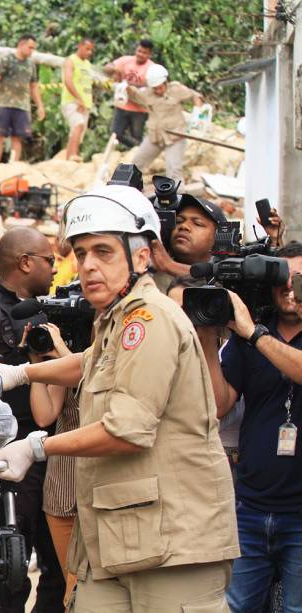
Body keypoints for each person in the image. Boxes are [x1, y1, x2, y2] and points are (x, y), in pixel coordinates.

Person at [0, 184, 238, 611]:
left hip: (172, 543)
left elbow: (128, 430)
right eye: (81, 253)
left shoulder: (151, 320)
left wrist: (36, 446)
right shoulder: (117, 320)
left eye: (103, 252)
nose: (88, 266)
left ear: (141, 257)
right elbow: (91, 362)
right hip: (117, 537)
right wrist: (17, 373)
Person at [0, 226, 64, 613]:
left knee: (58, 563)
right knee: (10, 562)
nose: (56, 270)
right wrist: (17, 367)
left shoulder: (47, 310)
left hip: (54, 449)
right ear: (25, 262)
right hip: (9, 460)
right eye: (50, 261)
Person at [201, 242, 302, 612]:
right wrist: (209, 341)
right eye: (283, 278)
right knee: (235, 608)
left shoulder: (254, 335)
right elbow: (217, 405)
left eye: (300, 279)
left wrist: (253, 333)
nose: (290, 287)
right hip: (250, 507)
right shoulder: (247, 339)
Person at [26, 322, 79, 607]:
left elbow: (90, 385)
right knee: (73, 584)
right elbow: (44, 416)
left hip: (102, 482)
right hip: (62, 486)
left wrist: (61, 347)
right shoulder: (63, 361)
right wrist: (37, 365)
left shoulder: (110, 353)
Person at [129, 65, 203, 185]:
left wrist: (197, 113)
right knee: (136, 164)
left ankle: (177, 199)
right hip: (155, 136)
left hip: (175, 137)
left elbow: (196, 96)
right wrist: (124, 86)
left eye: (160, 88)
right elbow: (133, 94)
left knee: (174, 169)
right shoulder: (147, 93)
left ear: (166, 82)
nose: (158, 91)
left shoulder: (176, 89)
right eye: (155, 89)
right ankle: (126, 191)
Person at [149, 196, 227, 292]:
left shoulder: (229, 277)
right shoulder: (150, 270)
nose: (184, 226)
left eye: (198, 223)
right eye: (178, 221)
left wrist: (169, 266)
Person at [0, 35, 45, 164]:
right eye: (30, 47)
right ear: (21, 45)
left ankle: (13, 167)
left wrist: (40, 106)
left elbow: (34, 87)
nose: (32, 51)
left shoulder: (31, 65)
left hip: (22, 106)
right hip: (4, 103)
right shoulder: (6, 59)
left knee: (18, 138)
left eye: (33, 48)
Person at [104, 40, 155, 149]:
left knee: (136, 136)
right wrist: (113, 68)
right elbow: (107, 68)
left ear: (149, 54)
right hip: (122, 105)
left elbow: (149, 85)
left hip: (140, 110)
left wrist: (127, 84)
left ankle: (138, 152)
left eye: (144, 53)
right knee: (115, 134)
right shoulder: (126, 60)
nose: (140, 54)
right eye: (139, 51)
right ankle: (140, 148)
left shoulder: (152, 68)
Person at [60, 38, 95, 161]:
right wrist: (78, 98)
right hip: (71, 101)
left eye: (91, 50)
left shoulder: (88, 64)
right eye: (87, 49)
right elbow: (68, 81)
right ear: (79, 46)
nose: (89, 52)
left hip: (85, 104)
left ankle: (68, 159)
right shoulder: (71, 61)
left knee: (77, 133)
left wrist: (86, 102)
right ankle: (74, 156)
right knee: (78, 124)